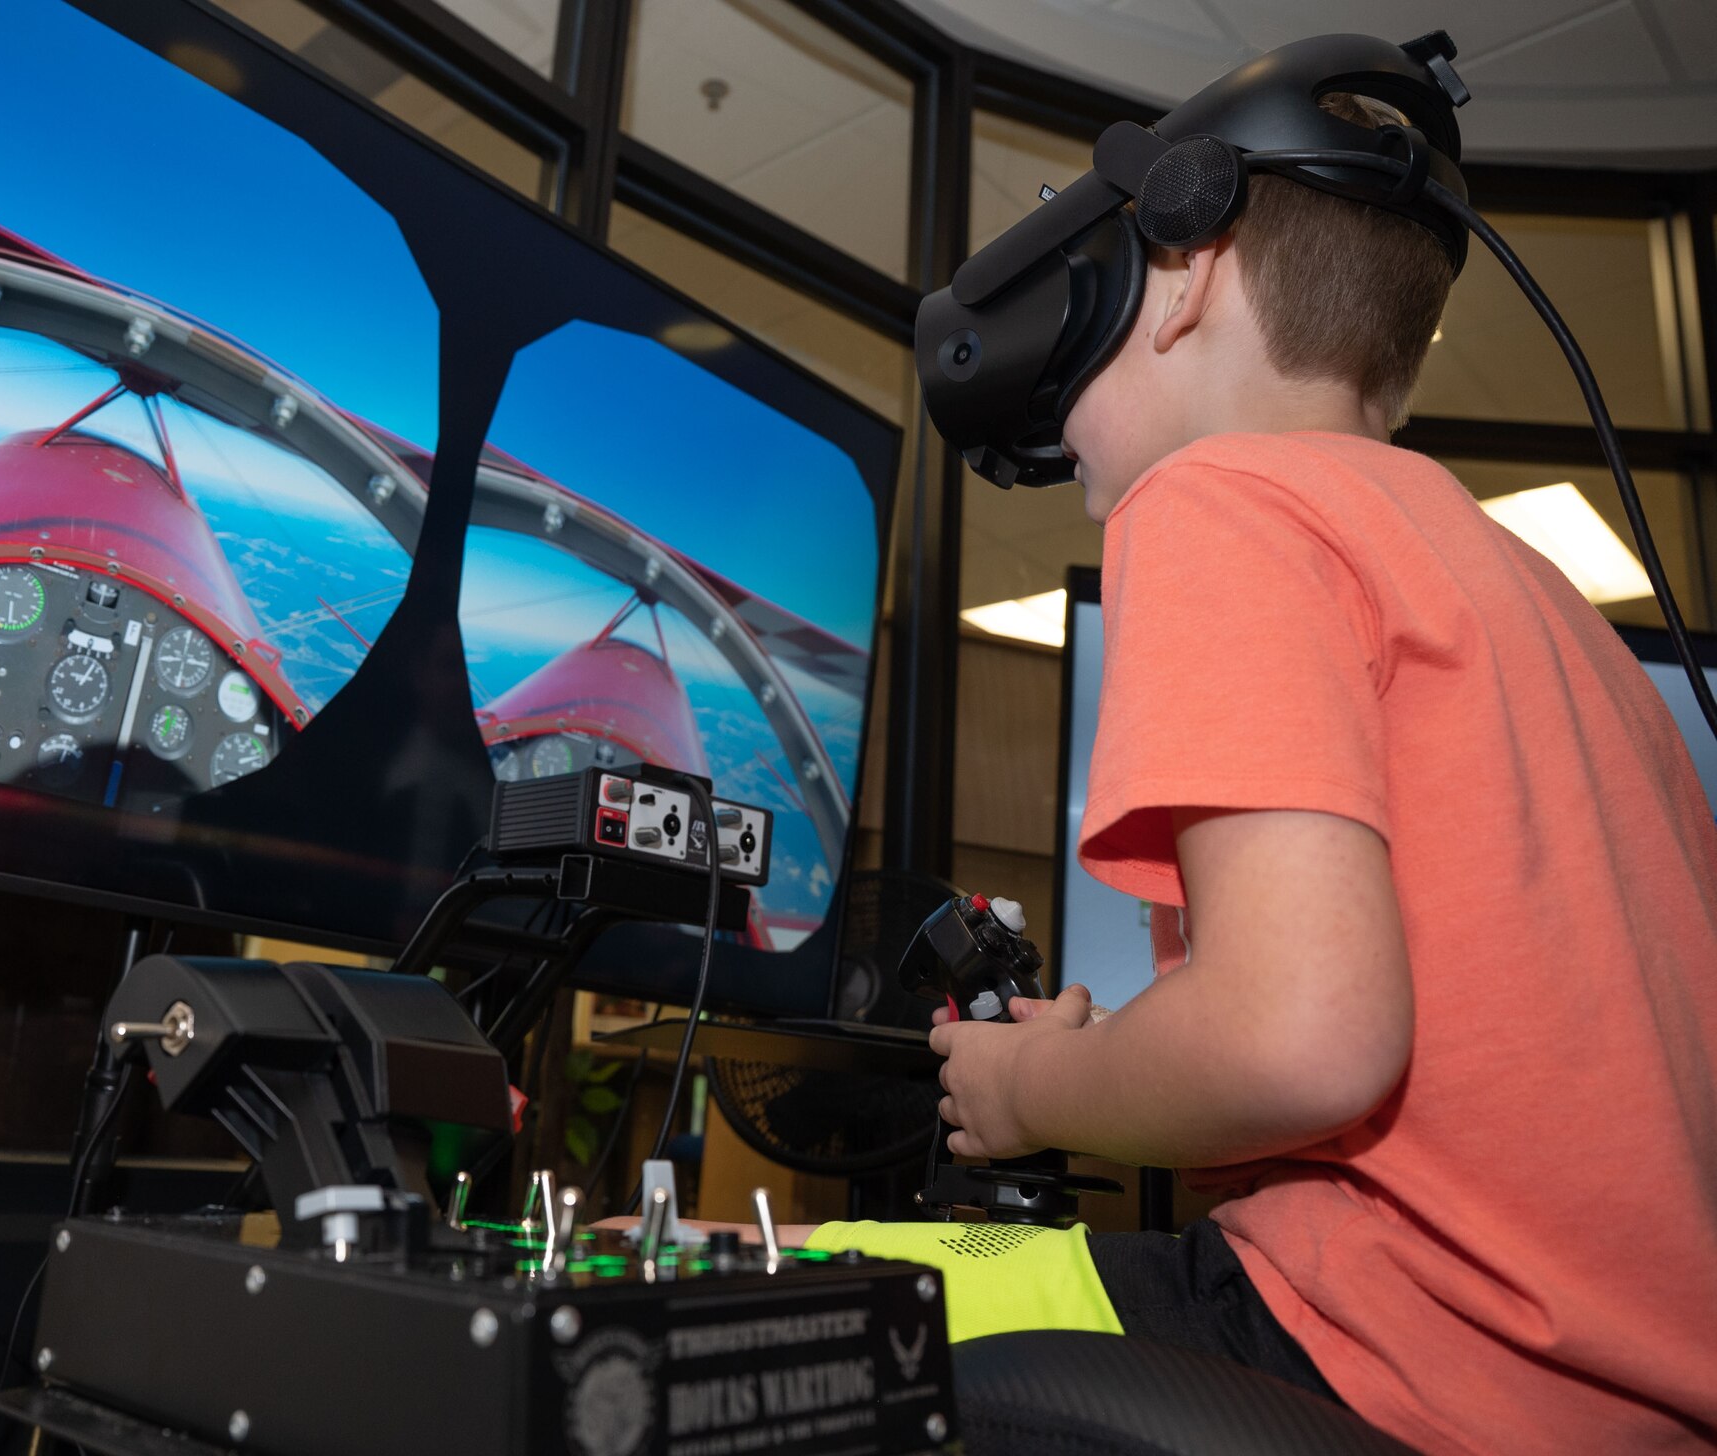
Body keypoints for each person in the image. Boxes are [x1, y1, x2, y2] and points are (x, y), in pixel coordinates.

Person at [624, 97, 1717, 1455]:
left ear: (1188, 271)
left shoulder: (1223, 497)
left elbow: (1302, 1036)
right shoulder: (1553, 607)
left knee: (663, 1302)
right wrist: (1118, 1057)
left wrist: (1031, 1095)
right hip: (1620, 1406)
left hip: (1384, 1349)